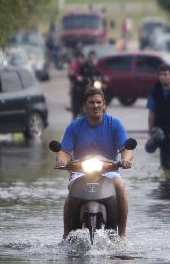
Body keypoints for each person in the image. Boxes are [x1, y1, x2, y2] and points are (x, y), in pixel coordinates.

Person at [55, 87, 134, 239]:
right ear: (85, 105)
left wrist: (125, 159)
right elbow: (64, 151)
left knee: (120, 186)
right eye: (91, 102)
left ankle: (123, 234)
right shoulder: (74, 126)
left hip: (109, 170)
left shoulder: (114, 124)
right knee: (71, 188)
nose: (95, 106)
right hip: (80, 170)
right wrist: (61, 161)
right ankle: (66, 235)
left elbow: (126, 148)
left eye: (98, 102)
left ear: (104, 104)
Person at [69, 49, 102, 119]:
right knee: (78, 98)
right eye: (91, 57)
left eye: (94, 57)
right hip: (83, 87)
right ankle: (76, 117)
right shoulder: (84, 66)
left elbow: (100, 74)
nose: (92, 59)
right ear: (88, 57)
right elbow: (76, 76)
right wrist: (79, 78)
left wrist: (104, 78)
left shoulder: (96, 67)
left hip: (93, 88)